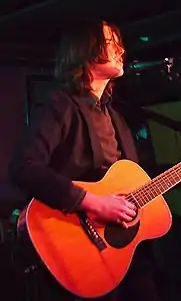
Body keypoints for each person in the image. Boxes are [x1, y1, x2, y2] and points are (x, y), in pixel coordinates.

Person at [9, 20, 161, 301]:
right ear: (85, 50)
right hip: (78, 251)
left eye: (119, 42)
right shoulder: (60, 105)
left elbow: (140, 180)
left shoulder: (115, 116)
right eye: (110, 42)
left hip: (125, 256)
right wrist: (93, 202)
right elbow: (23, 167)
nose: (120, 49)